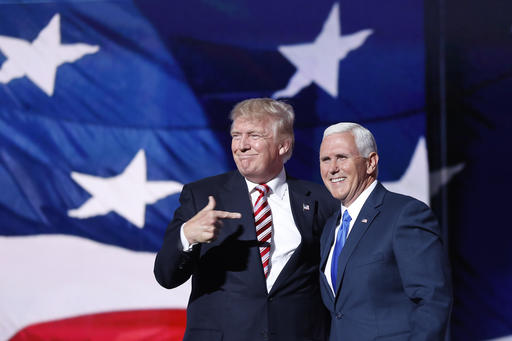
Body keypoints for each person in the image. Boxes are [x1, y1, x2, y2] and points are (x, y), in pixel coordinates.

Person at [154, 98, 338, 341]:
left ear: (283, 146)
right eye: (236, 135)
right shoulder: (201, 195)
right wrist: (187, 236)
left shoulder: (322, 200)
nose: (241, 145)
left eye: (253, 135)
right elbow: (166, 277)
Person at [318, 122, 452, 341]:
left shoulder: (405, 214)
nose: (332, 168)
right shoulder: (330, 227)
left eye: (342, 157)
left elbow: (433, 299)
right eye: (325, 159)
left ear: (371, 163)